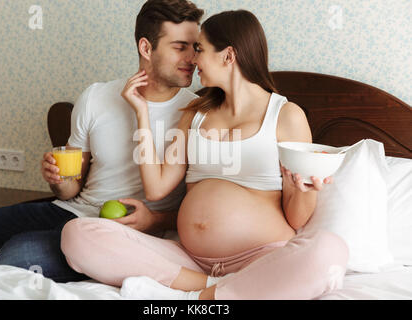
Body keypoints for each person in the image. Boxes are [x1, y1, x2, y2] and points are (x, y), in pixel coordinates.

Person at [60, 10, 349, 299]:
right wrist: (141, 113)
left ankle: (210, 295)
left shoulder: (285, 116)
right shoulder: (195, 114)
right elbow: (156, 187)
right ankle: (216, 290)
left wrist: (304, 190)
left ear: (228, 56)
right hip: (190, 262)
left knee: (329, 250)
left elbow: (297, 220)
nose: (193, 59)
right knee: (77, 234)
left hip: (261, 258)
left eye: (199, 49)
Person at [0, 0, 204, 283]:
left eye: (195, 47)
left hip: (123, 230)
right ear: (146, 48)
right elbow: (69, 189)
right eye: (180, 47)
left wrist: (156, 220)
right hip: (71, 211)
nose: (192, 58)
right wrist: (57, 178)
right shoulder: (96, 97)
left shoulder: (198, 114)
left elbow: (203, 211)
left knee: (17, 257)